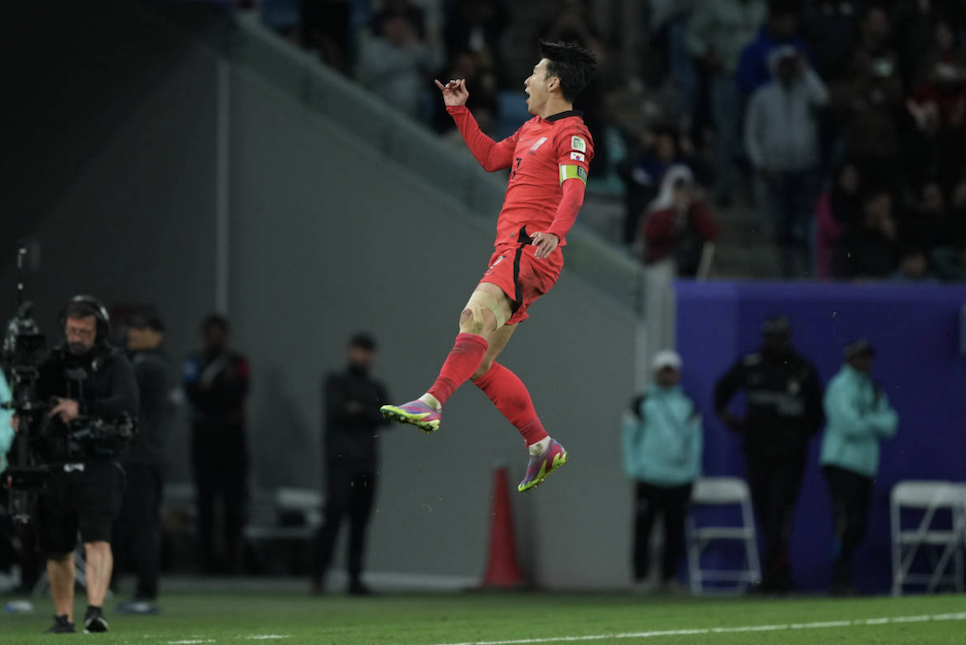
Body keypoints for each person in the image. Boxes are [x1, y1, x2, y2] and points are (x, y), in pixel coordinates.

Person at [379, 41, 597, 492]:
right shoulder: (533, 127)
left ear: (553, 83)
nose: (526, 80)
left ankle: (432, 401)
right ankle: (541, 445)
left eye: (534, 73)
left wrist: (556, 231)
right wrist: (459, 111)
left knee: (472, 318)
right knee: (480, 364)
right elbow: (491, 158)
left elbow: (573, 191)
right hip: (513, 251)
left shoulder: (572, 134)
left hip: (528, 251)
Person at [21, 296, 138, 633]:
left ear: (98, 330)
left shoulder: (115, 364)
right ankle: (63, 618)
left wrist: (82, 408)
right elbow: (33, 398)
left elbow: (128, 402)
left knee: (97, 538)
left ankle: (95, 610)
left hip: (99, 462)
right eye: (72, 330)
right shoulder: (51, 363)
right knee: (57, 547)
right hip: (56, 461)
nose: (77, 337)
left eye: (84, 331)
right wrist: (25, 417)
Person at [713, 316, 823, 593]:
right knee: (763, 510)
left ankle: (777, 575)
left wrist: (798, 438)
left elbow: (817, 413)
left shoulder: (802, 368)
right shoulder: (752, 363)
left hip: (789, 457)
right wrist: (730, 419)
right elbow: (722, 390)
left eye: (781, 336)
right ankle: (775, 572)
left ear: (789, 337)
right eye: (772, 336)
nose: (776, 341)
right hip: (757, 451)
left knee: (780, 514)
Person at [312, 334, 390, 596]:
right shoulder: (335, 382)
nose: (363, 356)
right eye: (359, 350)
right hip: (340, 462)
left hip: (367, 463)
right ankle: (318, 577)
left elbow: (386, 417)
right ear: (350, 352)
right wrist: (366, 411)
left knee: (360, 522)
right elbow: (338, 411)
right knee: (333, 518)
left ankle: (355, 579)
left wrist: (360, 409)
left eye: (367, 351)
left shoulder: (375, 386)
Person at [820, 339, 898, 596]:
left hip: (866, 465)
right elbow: (847, 425)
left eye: (868, 357)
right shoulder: (840, 386)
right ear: (848, 359)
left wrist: (868, 420)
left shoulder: (874, 388)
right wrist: (874, 421)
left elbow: (891, 424)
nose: (865, 362)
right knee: (845, 522)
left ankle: (844, 577)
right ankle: (839, 579)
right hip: (841, 462)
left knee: (859, 524)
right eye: (859, 357)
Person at [622, 350, 702, 593]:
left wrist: (692, 472)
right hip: (649, 477)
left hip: (680, 480)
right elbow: (629, 439)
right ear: (656, 373)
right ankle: (640, 578)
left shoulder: (687, 406)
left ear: (677, 374)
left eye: (671, 370)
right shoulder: (641, 403)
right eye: (663, 370)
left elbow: (696, 442)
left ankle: (669, 578)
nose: (667, 375)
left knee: (674, 531)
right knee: (643, 531)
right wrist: (634, 470)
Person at [745, 47, 828, 277]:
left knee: (806, 223)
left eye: (791, 65)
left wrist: (806, 71)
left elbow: (824, 98)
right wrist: (760, 164)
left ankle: (806, 270)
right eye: (784, 65)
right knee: (781, 225)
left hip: (806, 166)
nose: (788, 70)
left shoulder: (806, 91)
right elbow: (752, 134)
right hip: (777, 169)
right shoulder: (763, 96)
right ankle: (785, 272)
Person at [113, 309, 171, 615]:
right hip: (140, 455)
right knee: (129, 525)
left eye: (141, 329)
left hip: (141, 456)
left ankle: (146, 591)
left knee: (143, 526)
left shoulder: (150, 366)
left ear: (157, 335)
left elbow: (121, 394)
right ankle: (124, 585)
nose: (133, 334)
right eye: (131, 328)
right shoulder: (143, 363)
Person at [183, 315, 250, 574]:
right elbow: (194, 395)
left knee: (234, 501)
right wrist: (212, 394)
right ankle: (206, 559)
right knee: (205, 501)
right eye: (211, 333)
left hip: (233, 441)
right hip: (204, 441)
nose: (216, 339)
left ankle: (233, 557)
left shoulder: (238, 363)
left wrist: (211, 391)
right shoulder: (194, 362)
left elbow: (239, 392)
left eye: (220, 333)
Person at [685, 0, 767, 206]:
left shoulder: (760, 6)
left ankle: (756, 191)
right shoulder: (714, 4)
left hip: (757, 79)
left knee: (757, 134)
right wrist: (706, 55)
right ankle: (723, 188)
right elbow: (692, 36)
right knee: (726, 133)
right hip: (726, 75)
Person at [641, 165, 720, 278]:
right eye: (678, 188)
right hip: (660, 265)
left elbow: (712, 233)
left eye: (686, 188)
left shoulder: (693, 210)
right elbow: (651, 238)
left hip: (687, 268)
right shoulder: (658, 210)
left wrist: (694, 208)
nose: (682, 192)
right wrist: (672, 212)